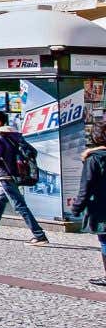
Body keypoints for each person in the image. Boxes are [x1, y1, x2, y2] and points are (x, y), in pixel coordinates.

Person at [0, 111, 49, 245]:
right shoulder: (14, 134)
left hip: (6, 175)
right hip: (16, 173)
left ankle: (39, 235)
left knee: (20, 206)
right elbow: (31, 152)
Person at [70, 122, 106, 286]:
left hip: (101, 207)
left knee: (105, 240)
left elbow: (86, 187)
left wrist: (77, 208)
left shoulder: (93, 160)